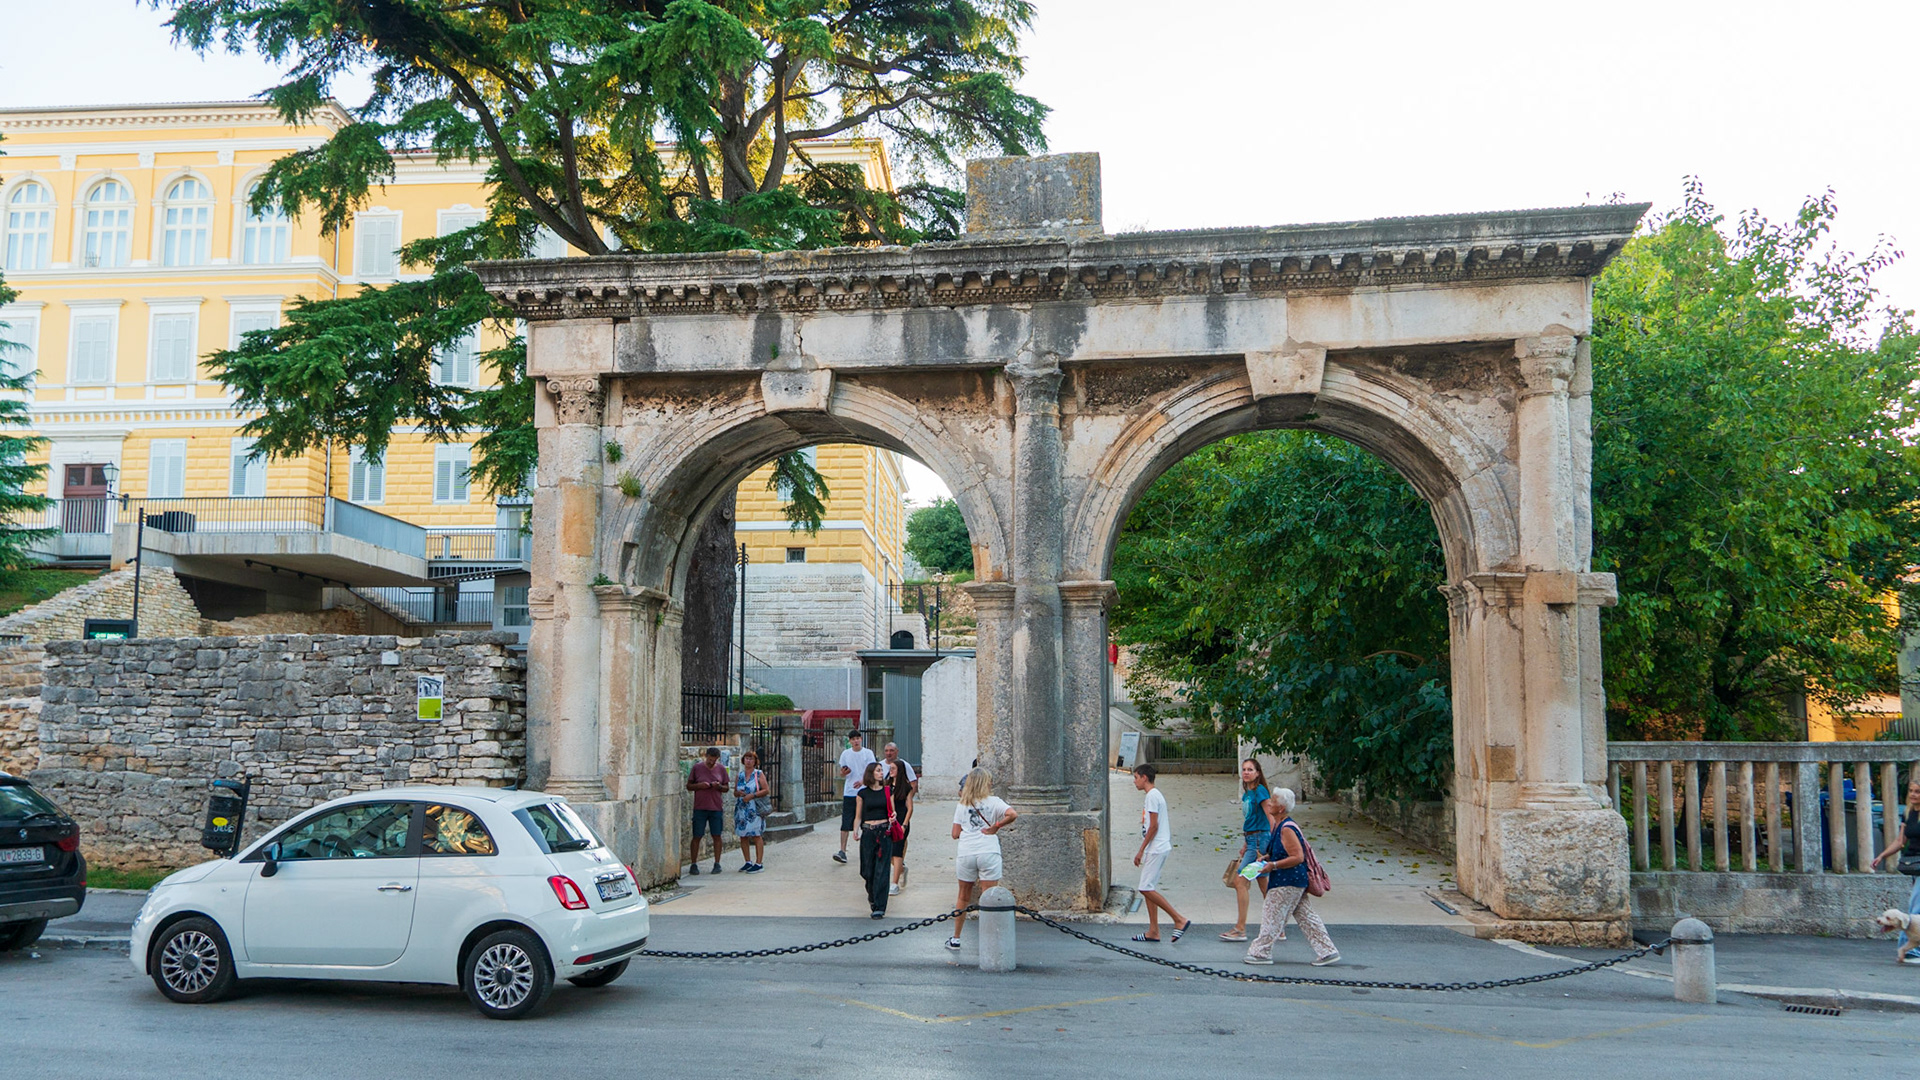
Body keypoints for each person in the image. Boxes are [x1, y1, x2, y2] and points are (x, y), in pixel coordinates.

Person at [1244, 788, 1339, 966]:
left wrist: (1273, 865)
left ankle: (1260, 952)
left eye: (1273, 801)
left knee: (1272, 914)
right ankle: (1328, 951)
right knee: (1306, 917)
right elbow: (1283, 851)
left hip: (1287, 881)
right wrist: (1268, 858)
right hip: (1295, 880)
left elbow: (1297, 857)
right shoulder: (1281, 825)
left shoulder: (1286, 828)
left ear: (1281, 808)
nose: (1269, 804)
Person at [948, 766, 1018, 950]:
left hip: (967, 851)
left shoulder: (963, 804)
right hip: (988, 850)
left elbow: (955, 833)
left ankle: (956, 938)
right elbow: (1012, 814)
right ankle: (991, 941)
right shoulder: (995, 801)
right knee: (989, 897)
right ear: (986, 783)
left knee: (963, 896)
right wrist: (996, 826)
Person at [1130, 763, 1191, 943]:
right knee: (1148, 887)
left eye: (1136, 778)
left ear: (1144, 777)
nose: (1134, 781)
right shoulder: (1154, 795)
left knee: (1145, 888)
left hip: (1157, 847)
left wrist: (1141, 850)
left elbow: (1153, 826)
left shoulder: (1152, 796)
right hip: (1157, 847)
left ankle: (1179, 919)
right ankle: (1153, 931)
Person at [1869, 776, 1920, 963]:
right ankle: (1909, 948)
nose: (1913, 795)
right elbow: (1900, 841)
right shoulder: (1908, 813)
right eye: (1911, 791)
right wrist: (1881, 856)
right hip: (1915, 866)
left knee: (1915, 906)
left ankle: (1910, 949)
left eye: (1917, 792)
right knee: (1916, 906)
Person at [1221, 758, 1271, 942]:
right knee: (1264, 886)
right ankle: (1278, 927)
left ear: (1258, 773)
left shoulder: (1260, 791)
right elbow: (1251, 819)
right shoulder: (1248, 793)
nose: (1246, 772)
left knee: (1240, 881)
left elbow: (1270, 816)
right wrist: (1245, 843)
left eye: (1250, 769)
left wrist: (1274, 843)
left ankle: (1240, 929)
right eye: (1244, 769)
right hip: (1252, 841)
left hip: (1259, 843)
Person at [854, 761, 895, 918]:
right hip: (868, 832)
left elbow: (892, 811)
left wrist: (893, 818)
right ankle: (872, 896)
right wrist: (855, 830)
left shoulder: (888, 791)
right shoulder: (862, 794)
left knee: (882, 870)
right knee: (867, 870)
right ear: (871, 774)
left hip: (884, 832)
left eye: (881, 770)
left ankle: (880, 906)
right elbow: (858, 816)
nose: (881, 773)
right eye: (878, 770)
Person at [834, 729, 876, 864]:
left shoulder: (868, 753)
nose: (856, 741)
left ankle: (868, 849)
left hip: (865, 791)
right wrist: (844, 772)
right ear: (850, 741)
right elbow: (842, 773)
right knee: (846, 821)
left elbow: (872, 771)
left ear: (861, 739)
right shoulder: (846, 754)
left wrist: (863, 781)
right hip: (850, 791)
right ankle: (842, 850)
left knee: (867, 821)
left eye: (858, 738)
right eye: (853, 739)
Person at [880, 743, 918, 893]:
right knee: (887, 852)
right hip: (889, 821)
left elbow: (910, 807)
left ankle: (894, 883)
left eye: (893, 769)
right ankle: (901, 869)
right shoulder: (887, 786)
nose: (891, 771)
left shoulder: (906, 787)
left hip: (901, 820)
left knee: (897, 851)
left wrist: (904, 824)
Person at [685, 746, 728, 876]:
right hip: (700, 807)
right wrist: (700, 785)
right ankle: (693, 864)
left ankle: (717, 863)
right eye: (710, 759)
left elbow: (726, 788)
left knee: (717, 835)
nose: (711, 762)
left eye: (714, 760)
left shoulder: (721, 769)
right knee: (697, 835)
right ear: (706, 756)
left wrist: (718, 786)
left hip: (716, 807)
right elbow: (689, 786)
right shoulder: (697, 768)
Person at [733, 750, 769, 873]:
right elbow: (735, 792)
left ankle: (759, 863)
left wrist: (752, 795)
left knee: (756, 835)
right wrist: (738, 793)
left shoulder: (758, 774)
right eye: (747, 758)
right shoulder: (740, 775)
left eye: (751, 759)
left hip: (754, 809)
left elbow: (766, 790)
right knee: (743, 835)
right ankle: (747, 861)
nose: (748, 761)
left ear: (755, 762)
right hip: (742, 809)